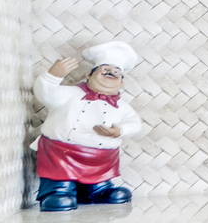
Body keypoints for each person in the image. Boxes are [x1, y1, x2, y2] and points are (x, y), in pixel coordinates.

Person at [32, 41, 143, 211]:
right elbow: (46, 94)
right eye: (104, 69)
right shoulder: (69, 93)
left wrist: (118, 131)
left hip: (101, 159)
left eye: (116, 72)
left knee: (103, 184)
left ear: (121, 84)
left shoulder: (123, 107)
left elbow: (134, 124)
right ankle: (58, 190)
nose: (110, 73)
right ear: (88, 76)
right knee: (60, 180)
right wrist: (52, 76)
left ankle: (99, 190)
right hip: (61, 153)